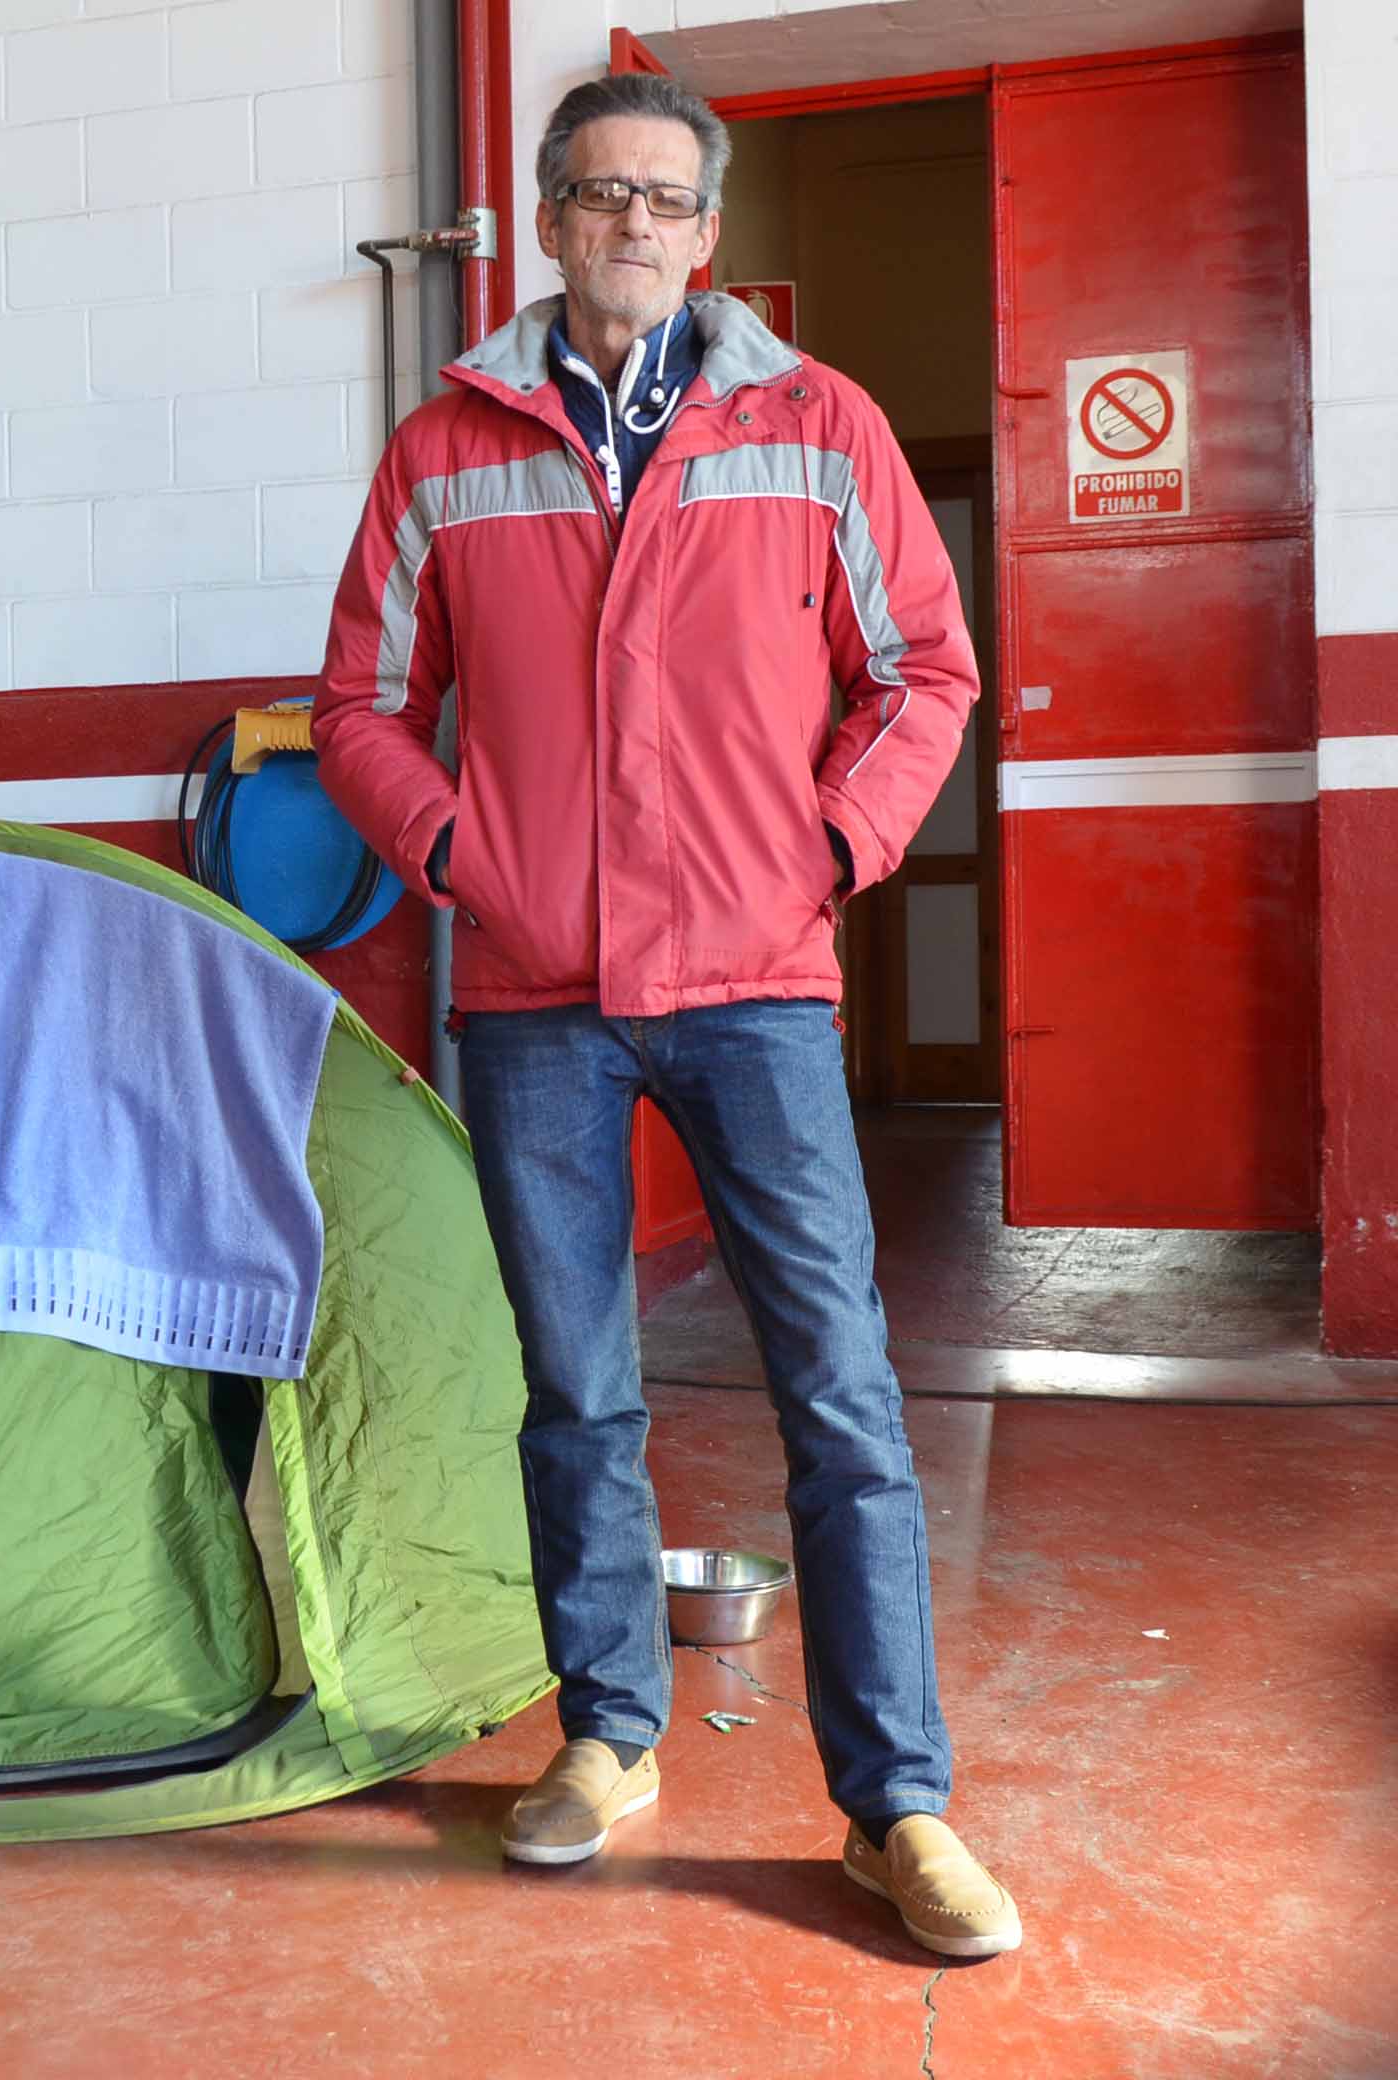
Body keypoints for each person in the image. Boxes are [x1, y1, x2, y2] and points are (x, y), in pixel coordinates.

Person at [312, 71, 1014, 1958]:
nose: (630, 224)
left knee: (844, 1395)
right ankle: (608, 1737)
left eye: (663, 199)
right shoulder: (445, 451)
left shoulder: (818, 425)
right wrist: (460, 853)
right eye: (596, 193)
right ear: (548, 219)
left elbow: (926, 671)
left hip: (759, 985)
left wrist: (841, 846)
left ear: (711, 234)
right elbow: (358, 707)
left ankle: (897, 1806)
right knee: (574, 1392)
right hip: (536, 995)